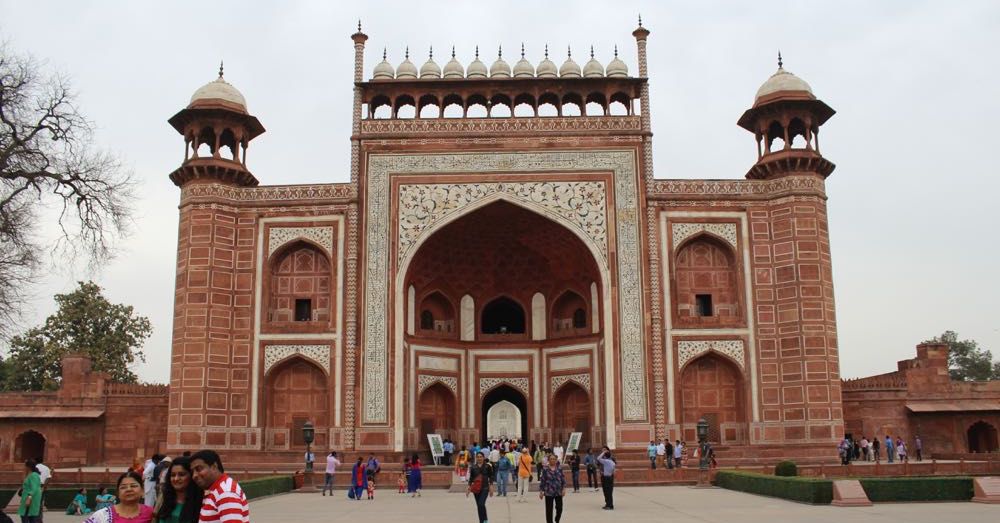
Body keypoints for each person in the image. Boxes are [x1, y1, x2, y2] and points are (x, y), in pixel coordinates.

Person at [190, 449, 249, 522]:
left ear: (214, 467)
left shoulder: (225, 492)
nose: (194, 475)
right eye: (192, 472)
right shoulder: (216, 490)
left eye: (199, 469)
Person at [83, 471, 154, 523]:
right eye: (123, 487)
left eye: (133, 486)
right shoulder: (102, 516)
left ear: (142, 490)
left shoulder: (152, 513)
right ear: (118, 493)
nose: (129, 489)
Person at [155, 457, 203, 523]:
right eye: (173, 475)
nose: (176, 479)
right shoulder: (164, 497)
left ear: (191, 476)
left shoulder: (200, 501)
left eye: (181, 474)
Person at [466, 452, 494, 523]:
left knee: (481, 504)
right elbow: (471, 478)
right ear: (476, 458)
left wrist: (491, 486)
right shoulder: (473, 467)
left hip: (485, 488)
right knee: (479, 506)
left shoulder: (488, 466)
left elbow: (491, 476)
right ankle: (484, 520)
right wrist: (469, 487)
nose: (479, 458)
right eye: (478, 457)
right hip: (476, 489)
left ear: (483, 457)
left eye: (481, 457)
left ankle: (483, 521)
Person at [539, 454, 566, 523]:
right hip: (548, 492)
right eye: (551, 459)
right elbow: (543, 480)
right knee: (549, 510)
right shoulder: (545, 469)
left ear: (556, 460)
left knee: (559, 508)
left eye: (554, 459)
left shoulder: (559, 469)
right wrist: (541, 491)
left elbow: (563, 479)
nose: (553, 460)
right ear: (548, 460)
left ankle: (557, 519)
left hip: (558, 491)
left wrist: (563, 489)